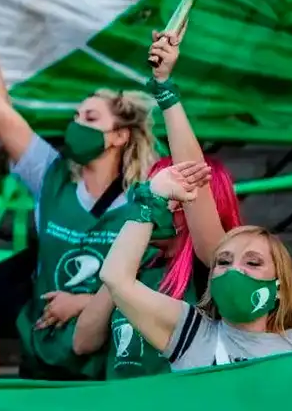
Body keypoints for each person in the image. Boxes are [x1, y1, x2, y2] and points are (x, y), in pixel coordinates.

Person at [0, 0, 158, 380]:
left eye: (91, 118)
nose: (77, 124)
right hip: (42, 359)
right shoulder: (50, 173)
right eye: (76, 115)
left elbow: (157, 288)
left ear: (120, 136)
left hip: (106, 367)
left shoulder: (144, 198)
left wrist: (84, 304)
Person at [71, 28, 243, 379]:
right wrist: (123, 270)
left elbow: (193, 178)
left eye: (168, 191)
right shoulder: (136, 263)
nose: (155, 197)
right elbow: (83, 342)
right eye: (152, 188)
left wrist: (164, 88)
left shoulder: (212, 270)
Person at [100, 163, 292, 375]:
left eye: (252, 263)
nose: (234, 270)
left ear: (280, 288)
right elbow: (116, 279)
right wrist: (151, 198)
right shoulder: (190, 332)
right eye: (223, 262)